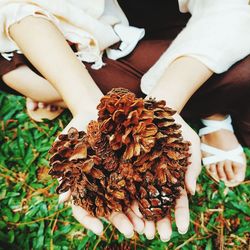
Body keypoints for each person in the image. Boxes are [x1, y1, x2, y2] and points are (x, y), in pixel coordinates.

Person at [0, 0, 249, 242]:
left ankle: (207, 108)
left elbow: (229, 9)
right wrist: (84, 103)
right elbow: (14, 7)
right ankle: (65, 88)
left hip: (178, 28)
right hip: (91, 38)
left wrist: (164, 105)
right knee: (19, 72)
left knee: (243, 69)